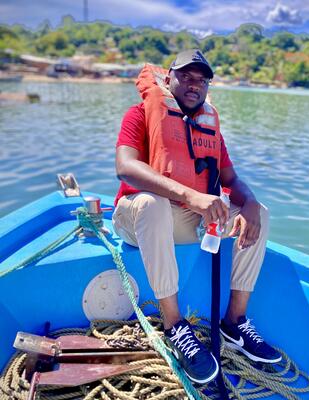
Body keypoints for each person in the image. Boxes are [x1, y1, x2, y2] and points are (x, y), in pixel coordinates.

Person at [112, 49, 281, 384]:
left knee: (259, 214)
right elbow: (125, 167)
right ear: (168, 79)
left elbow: (231, 179)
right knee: (153, 205)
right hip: (136, 219)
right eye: (186, 76)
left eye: (202, 80)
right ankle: (174, 324)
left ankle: (234, 322)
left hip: (185, 221)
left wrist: (249, 202)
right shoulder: (139, 114)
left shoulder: (210, 128)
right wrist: (191, 196)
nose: (194, 84)